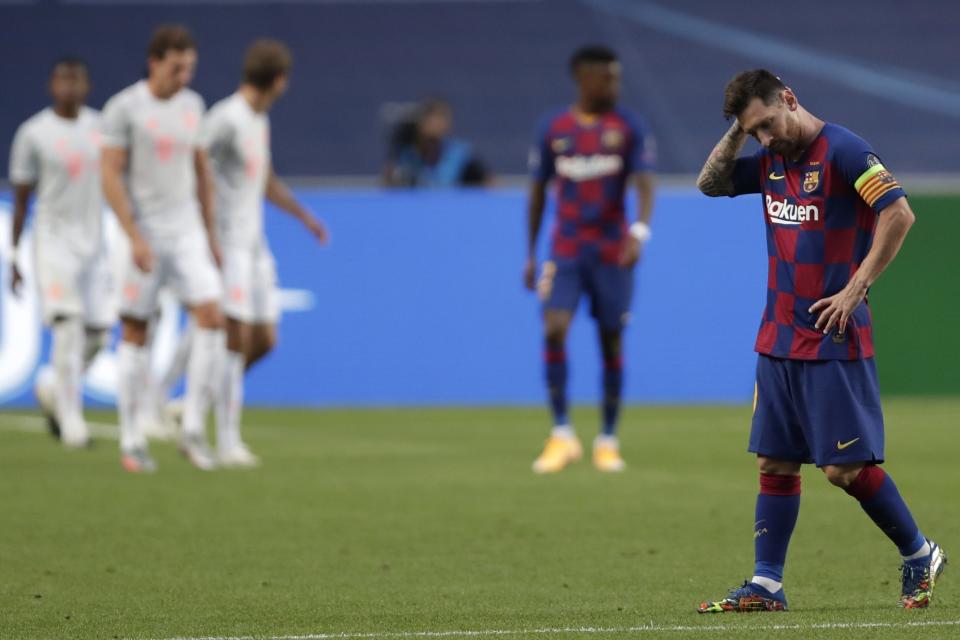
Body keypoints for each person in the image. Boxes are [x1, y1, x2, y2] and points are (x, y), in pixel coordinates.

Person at [695, 69, 946, 612]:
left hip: (832, 335)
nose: (765, 138)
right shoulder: (769, 157)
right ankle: (767, 584)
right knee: (775, 463)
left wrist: (856, 289)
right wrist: (742, 131)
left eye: (767, 123)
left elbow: (899, 213)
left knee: (843, 469)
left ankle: (919, 551)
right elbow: (710, 184)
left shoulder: (845, 150)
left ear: (789, 98)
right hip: (778, 335)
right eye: (753, 132)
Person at [524, 45, 656, 473]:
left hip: (612, 251)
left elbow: (644, 184)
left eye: (617, 78)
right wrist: (529, 253)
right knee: (554, 327)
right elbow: (538, 191)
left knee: (610, 339)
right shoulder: (555, 128)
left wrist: (639, 231)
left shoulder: (628, 126)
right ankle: (562, 433)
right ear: (585, 79)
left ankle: (607, 439)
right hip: (565, 249)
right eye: (608, 78)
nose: (615, 86)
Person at [101, 25, 224, 473]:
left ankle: (191, 428)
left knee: (212, 318)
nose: (184, 77)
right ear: (155, 63)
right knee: (136, 331)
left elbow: (201, 173)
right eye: (176, 67)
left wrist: (211, 235)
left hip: (186, 227)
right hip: (144, 229)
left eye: (189, 68)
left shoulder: (194, 106)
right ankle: (132, 438)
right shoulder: (124, 108)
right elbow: (110, 174)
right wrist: (131, 233)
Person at [201, 39, 328, 467]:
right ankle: (226, 440)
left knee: (265, 340)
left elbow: (264, 179)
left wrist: (303, 215)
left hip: (255, 243)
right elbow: (194, 164)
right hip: (227, 241)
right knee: (234, 339)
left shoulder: (258, 120)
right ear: (279, 80)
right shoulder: (225, 118)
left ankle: (196, 405)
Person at [8, 57, 114, 448]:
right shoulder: (34, 133)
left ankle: (53, 387)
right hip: (52, 242)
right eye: (62, 80)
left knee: (98, 335)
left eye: (76, 81)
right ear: (52, 85)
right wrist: (14, 255)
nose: (69, 88)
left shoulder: (100, 128)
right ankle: (73, 425)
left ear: (85, 86)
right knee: (68, 329)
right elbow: (21, 200)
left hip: (92, 244)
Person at [382, 98, 490, 187]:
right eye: (434, 117)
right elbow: (388, 190)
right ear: (421, 122)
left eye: (444, 118)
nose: (439, 124)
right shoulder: (404, 156)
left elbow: (490, 184)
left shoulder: (460, 156)